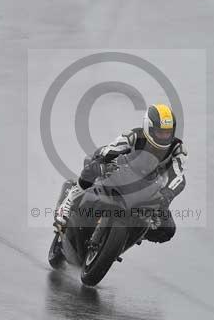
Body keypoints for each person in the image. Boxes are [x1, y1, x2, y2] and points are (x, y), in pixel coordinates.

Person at [54, 104, 186, 243]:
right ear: (149, 128)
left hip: (151, 189)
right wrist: (104, 161)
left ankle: (133, 235)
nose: (165, 136)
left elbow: (179, 176)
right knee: (93, 167)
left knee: (167, 230)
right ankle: (68, 201)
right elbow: (112, 148)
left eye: (168, 132)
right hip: (122, 174)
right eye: (160, 132)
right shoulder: (134, 135)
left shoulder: (178, 149)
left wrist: (167, 194)